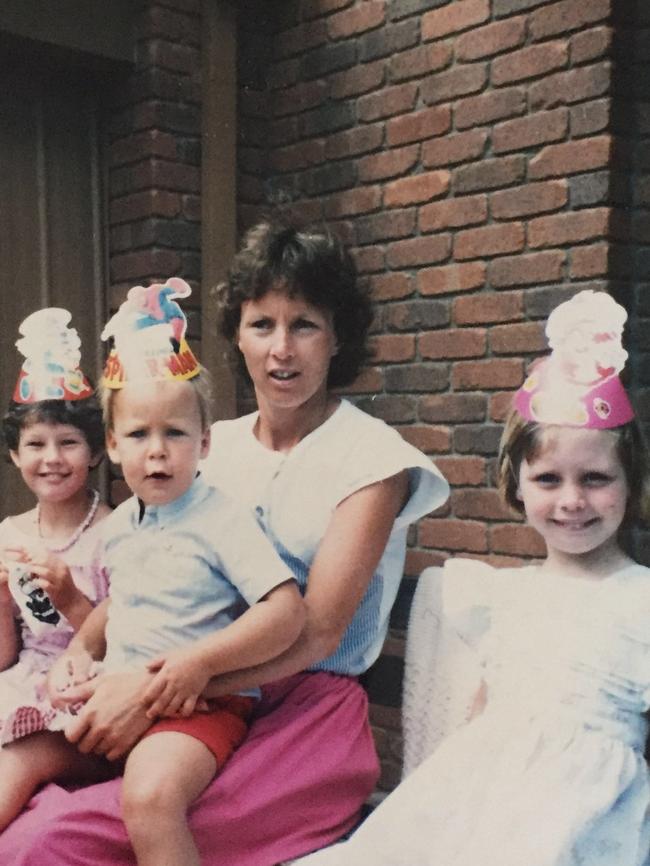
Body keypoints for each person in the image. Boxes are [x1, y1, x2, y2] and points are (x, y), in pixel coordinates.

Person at [0, 222, 449, 865]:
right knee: (30, 824)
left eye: (306, 325)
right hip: (182, 691)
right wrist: (92, 651)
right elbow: (150, 575)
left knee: (72, 841)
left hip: (298, 712)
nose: (282, 350)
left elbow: (316, 633)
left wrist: (156, 688)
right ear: (237, 335)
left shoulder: (371, 460)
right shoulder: (204, 442)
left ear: (338, 336)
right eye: (262, 324)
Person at [294, 289, 650, 866]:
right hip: (484, 804)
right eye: (549, 480)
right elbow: (482, 718)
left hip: (584, 822)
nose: (572, 501)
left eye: (596, 478)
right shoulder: (504, 598)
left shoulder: (640, 603)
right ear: (517, 485)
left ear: (630, 483)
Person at [2, 279, 305, 866]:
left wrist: (199, 663)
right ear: (112, 445)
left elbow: (285, 610)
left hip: (198, 710)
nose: (158, 452)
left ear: (207, 443)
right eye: (139, 435)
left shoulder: (223, 519)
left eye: (176, 434)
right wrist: (79, 653)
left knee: (150, 795)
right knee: (20, 750)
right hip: (119, 698)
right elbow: (120, 605)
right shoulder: (120, 527)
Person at [0, 308, 111, 802]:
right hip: (21, 681)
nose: (51, 459)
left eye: (68, 443)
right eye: (35, 444)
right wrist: (2, 599)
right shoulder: (11, 532)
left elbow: (120, 640)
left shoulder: (115, 531)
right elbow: (6, 655)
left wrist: (68, 596)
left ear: (94, 451)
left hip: (84, 690)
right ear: (14, 454)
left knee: (13, 765)